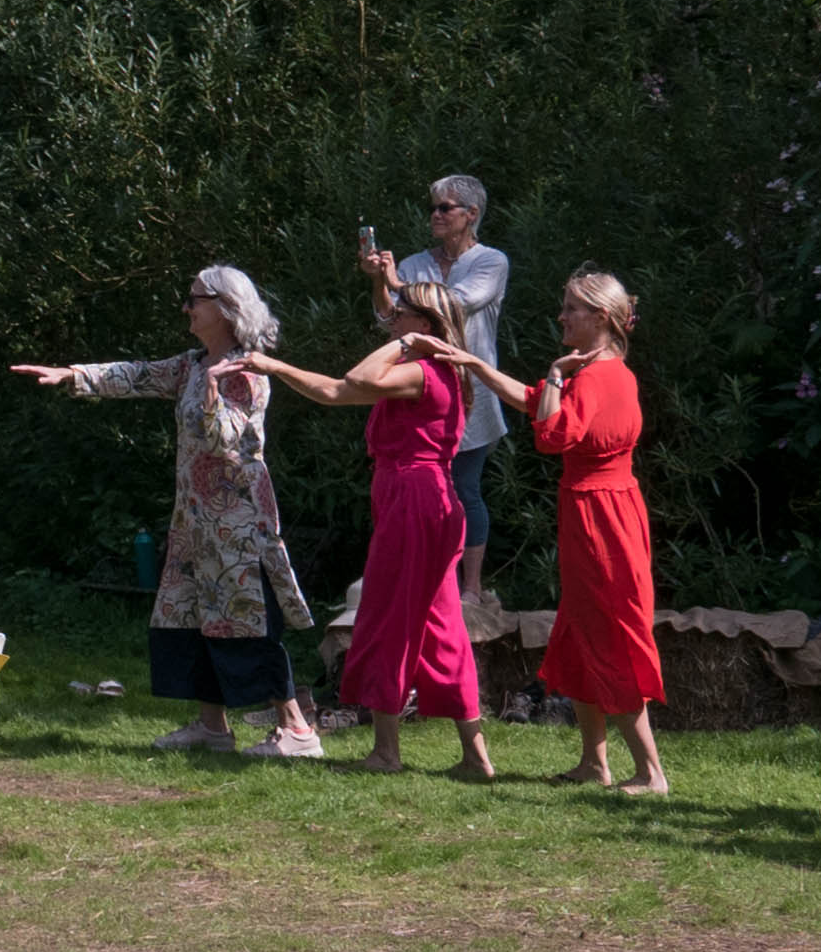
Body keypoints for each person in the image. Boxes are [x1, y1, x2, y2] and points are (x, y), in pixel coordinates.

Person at [14, 265, 322, 761]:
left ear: (225, 308)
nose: (185, 307)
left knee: (247, 622)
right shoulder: (192, 365)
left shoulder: (247, 372)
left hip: (238, 523)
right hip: (195, 520)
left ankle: (297, 730)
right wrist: (73, 375)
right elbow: (137, 374)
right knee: (194, 620)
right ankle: (212, 728)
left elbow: (224, 441)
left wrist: (212, 392)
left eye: (194, 299)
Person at [418, 269, 666, 792]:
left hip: (600, 519)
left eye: (572, 308)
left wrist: (554, 373)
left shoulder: (590, 377)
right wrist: (476, 365)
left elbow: (551, 436)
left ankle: (650, 772)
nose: (562, 316)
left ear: (601, 317)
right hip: (604, 511)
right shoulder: (609, 371)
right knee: (580, 633)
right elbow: (536, 401)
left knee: (609, 633)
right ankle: (595, 763)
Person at [236, 283, 498, 779]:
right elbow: (336, 391)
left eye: (401, 314)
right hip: (426, 501)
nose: (391, 320)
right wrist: (275, 367)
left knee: (385, 619)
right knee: (441, 629)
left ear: (425, 324)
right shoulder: (426, 374)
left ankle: (386, 753)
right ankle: (475, 757)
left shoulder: (422, 371)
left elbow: (357, 376)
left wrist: (406, 343)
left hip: (414, 502)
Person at [364, 174, 513, 598]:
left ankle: (472, 588)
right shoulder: (415, 263)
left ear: (471, 214)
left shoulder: (491, 262)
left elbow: (457, 304)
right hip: (419, 389)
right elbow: (389, 319)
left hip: (470, 392)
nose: (435, 214)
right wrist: (378, 281)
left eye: (445, 207)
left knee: (464, 489)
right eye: (433, 207)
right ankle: (431, 580)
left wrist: (397, 285)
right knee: (423, 490)